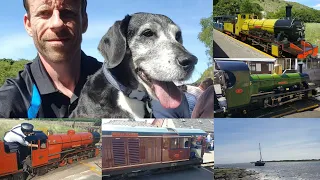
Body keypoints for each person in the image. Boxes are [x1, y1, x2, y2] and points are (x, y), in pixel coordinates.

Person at [0, 0, 102, 118]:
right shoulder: (9, 103)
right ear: (28, 24)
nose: (57, 23)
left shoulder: (117, 85)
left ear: (84, 21)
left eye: (67, 12)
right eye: (44, 13)